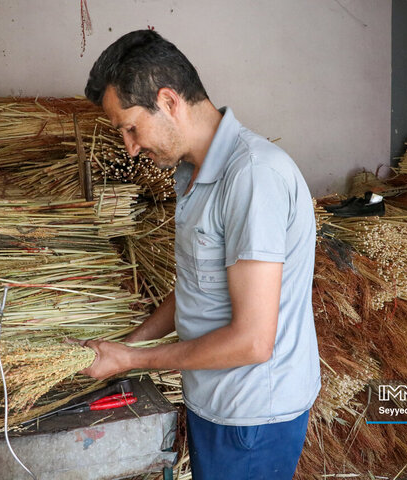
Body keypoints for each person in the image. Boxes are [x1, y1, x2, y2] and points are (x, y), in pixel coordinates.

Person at [80, 29, 320, 480]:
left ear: (169, 101)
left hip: (252, 418)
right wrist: (130, 344)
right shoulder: (192, 173)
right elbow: (195, 286)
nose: (130, 146)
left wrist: (135, 360)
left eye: (131, 127)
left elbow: (252, 341)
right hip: (215, 401)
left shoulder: (251, 175)